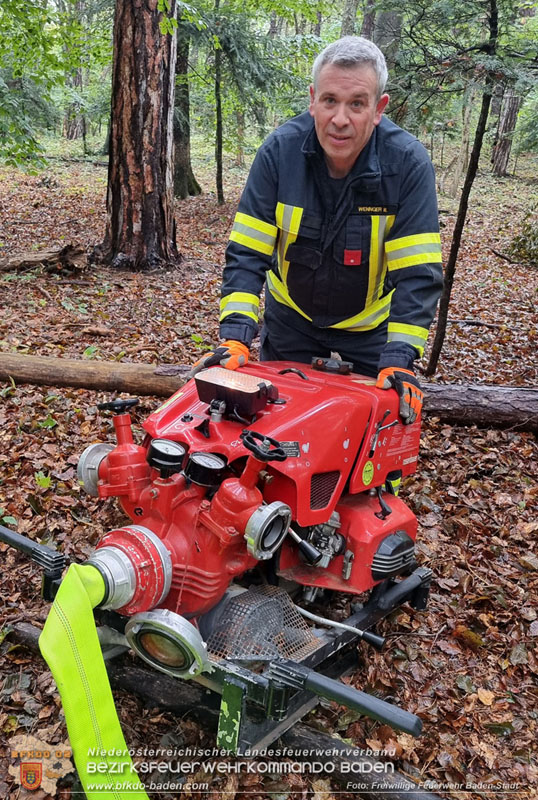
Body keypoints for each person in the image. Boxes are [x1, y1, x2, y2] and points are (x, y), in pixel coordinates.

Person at [192, 36, 443, 424]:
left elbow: (418, 274)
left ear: (379, 109)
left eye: (356, 104)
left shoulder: (406, 164)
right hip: (290, 322)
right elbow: (247, 253)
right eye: (329, 101)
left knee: (363, 444)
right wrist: (236, 335)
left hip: (370, 332)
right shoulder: (279, 153)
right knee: (271, 430)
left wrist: (399, 358)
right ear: (313, 100)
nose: (340, 119)